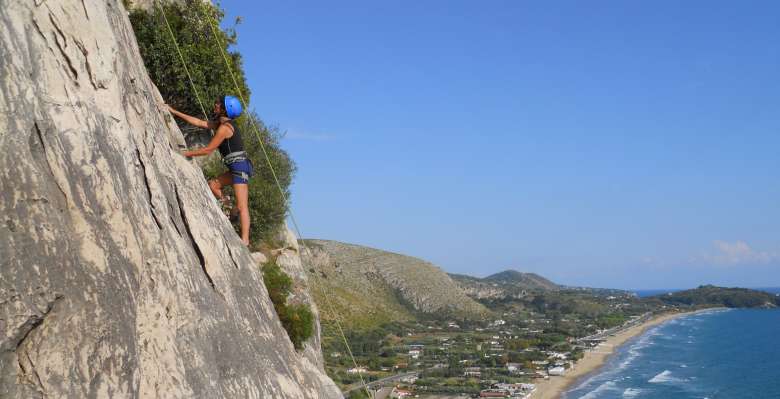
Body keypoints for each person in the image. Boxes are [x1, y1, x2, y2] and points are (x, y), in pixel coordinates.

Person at [167, 95, 253, 245]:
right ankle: (228, 207)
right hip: (237, 166)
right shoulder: (221, 124)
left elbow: (208, 150)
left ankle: (245, 240)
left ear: (225, 110)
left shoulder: (225, 129)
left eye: (219, 104)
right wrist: (175, 112)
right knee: (212, 185)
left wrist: (185, 153)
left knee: (242, 206)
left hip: (240, 168)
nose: (216, 105)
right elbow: (200, 122)